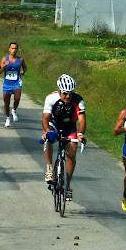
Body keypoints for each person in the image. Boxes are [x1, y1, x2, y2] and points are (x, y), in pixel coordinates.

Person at [42, 74, 86, 202]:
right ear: (59, 90)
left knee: (72, 153)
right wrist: (47, 131)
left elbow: (82, 120)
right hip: (54, 124)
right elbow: (45, 118)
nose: (67, 96)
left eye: (70, 94)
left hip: (69, 127)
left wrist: (81, 133)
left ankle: (67, 185)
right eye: (65, 93)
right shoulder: (51, 98)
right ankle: (49, 169)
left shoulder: (78, 100)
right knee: (49, 138)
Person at [0, 42, 27, 128]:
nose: (14, 50)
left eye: (15, 48)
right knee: (6, 103)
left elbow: (25, 67)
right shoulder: (4, 59)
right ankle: (7, 118)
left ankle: (14, 110)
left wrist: (23, 71)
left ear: (17, 50)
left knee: (17, 98)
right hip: (7, 83)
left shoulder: (20, 60)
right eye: (12, 48)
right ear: (9, 49)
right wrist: (3, 66)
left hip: (17, 82)